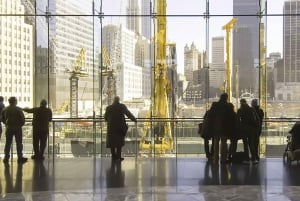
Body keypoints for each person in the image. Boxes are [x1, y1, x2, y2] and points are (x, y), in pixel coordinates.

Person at [104, 96, 137, 161]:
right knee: (119, 142)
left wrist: (110, 121)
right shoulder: (122, 106)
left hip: (111, 127)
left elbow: (105, 117)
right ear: (118, 100)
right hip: (120, 127)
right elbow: (128, 114)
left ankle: (113, 156)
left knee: (112, 143)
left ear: (113, 100)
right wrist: (134, 119)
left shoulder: (109, 108)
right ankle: (119, 156)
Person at [209, 93, 236, 164]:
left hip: (216, 127)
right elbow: (233, 116)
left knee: (216, 143)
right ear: (226, 98)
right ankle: (223, 159)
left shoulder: (215, 105)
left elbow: (210, 115)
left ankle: (215, 159)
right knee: (224, 143)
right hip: (225, 127)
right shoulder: (229, 106)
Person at [1, 97, 27, 164]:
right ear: (15, 101)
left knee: (8, 143)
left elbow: (2, 118)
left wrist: (6, 123)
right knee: (19, 143)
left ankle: (6, 157)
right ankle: (20, 157)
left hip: (9, 127)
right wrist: (20, 124)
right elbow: (22, 119)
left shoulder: (5, 109)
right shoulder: (18, 109)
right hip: (17, 128)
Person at [236, 98, 259, 164]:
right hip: (251, 129)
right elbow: (257, 119)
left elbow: (237, 120)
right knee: (251, 143)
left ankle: (247, 159)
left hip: (244, 129)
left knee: (245, 144)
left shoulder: (240, 110)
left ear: (240, 103)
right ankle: (254, 158)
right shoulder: (252, 109)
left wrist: (240, 127)